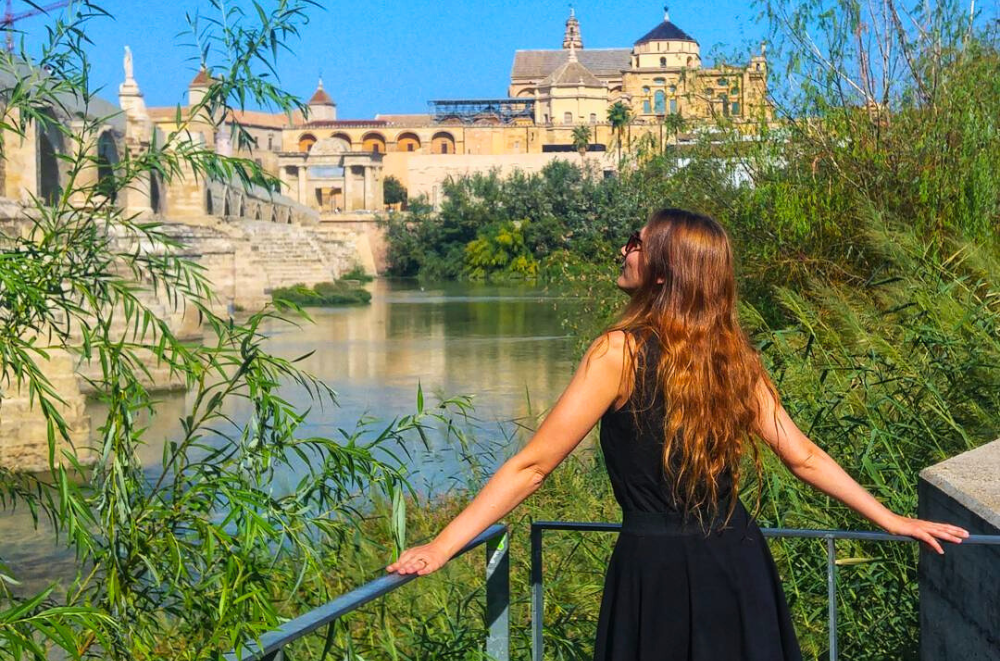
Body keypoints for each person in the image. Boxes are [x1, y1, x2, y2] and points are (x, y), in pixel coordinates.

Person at [388, 208, 969, 660]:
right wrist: (890, 518)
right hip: (738, 562)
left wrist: (443, 544)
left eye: (636, 243)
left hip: (656, 572)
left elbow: (533, 466)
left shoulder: (618, 352)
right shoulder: (732, 355)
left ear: (664, 270)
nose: (625, 249)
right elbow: (805, 456)